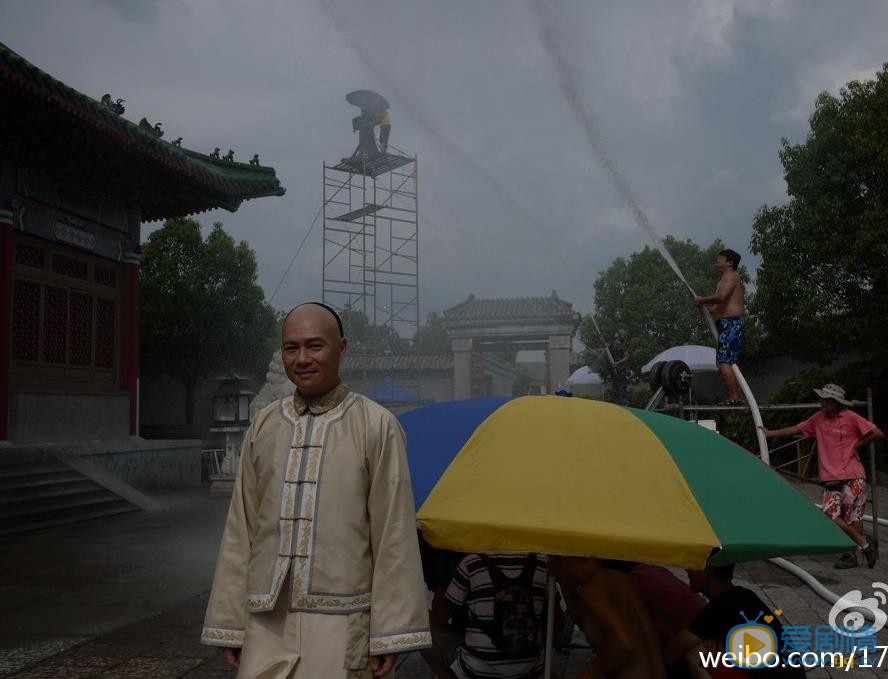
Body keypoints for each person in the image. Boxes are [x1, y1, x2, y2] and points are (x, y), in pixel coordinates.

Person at [201, 302, 431, 677]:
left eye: (315, 346)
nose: (302, 358)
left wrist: (390, 630)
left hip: (343, 618)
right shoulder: (265, 424)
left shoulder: (377, 426)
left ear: (341, 349)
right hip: (266, 617)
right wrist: (230, 623)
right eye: (292, 348)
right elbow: (240, 528)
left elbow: (394, 534)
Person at [760, 383, 884, 569]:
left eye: (825, 400)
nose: (821, 403)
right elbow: (797, 429)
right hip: (831, 475)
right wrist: (769, 434)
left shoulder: (850, 417)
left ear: (835, 402)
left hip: (853, 474)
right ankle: (865, 543)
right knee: (831, 514)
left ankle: (850, 554)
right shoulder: (818, 418)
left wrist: (857, 446)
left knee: (852, 518)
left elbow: (877, 433)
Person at [664, 563, 805, 678]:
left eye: (694, 564)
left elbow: (670, 654)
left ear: (707, 570)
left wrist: (692, 660)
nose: (687, 569)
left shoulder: (721, 607)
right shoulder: (744, 596)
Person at [433, 552, 549, 679]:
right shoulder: (542, 563)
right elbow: (554, 623)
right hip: (531, 671)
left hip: (478, 671)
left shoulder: (472, 563)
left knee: (419, 627)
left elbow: (440, 618)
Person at [551, 556, 667, 679]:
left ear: (565, 560)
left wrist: (591, 671)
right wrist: (565, 584)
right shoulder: (621, 579)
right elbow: (584, 621)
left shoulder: (593, 590)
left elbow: (623, 645)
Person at [692, 249, 745, 404]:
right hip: (724, 325)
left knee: (723, 361)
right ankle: (735, 395)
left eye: (720, 258)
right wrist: (703, 308)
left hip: (732, 324)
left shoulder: (732, 277)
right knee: (722, 361)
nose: (717, 261)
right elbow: (716, 308)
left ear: (730, 263)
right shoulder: (722, 281)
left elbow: (721, 297)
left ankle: (736, 396)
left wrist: (702, 300)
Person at [609, 330, 630, 406]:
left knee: (621, 387)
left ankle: (623, 404)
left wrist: (617, 362)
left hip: (621, 369)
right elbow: (606, 347)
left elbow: (627, 356)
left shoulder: (622, 345)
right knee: (615, 387)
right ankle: (616, 404)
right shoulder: (612, 344)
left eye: (616, 332)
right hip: (614, 369)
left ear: (619, 335)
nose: (615, 333)